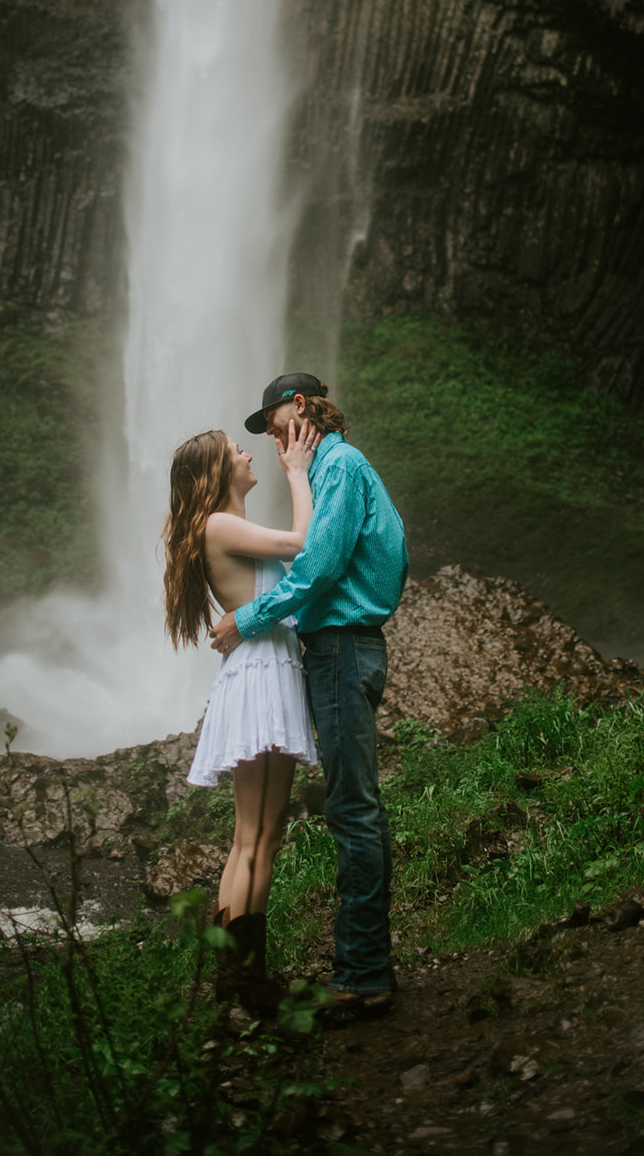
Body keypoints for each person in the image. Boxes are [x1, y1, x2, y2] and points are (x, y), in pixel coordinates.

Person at [210, 373, 409, 1020]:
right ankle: (357, 968)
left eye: (271, 424)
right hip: (337, 647)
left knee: (353, 808)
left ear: (300, 408)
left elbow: (319, 565)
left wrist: (251, 618)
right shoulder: (332, 469)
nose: (269, 439)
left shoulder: (339, 466)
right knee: (352, 806)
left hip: (345, 646)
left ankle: (362, 977)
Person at [162, 421, 321, 1007]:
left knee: (257, 836)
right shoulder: (222, 524)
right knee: (255, 837)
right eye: (237, 451)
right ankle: (243, 983)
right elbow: (306, 542)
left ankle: (239, 975)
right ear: (215, 474)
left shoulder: (217, 526)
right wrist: (299, 473)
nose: (249, 453)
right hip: (261, 675)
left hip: (259, 671)